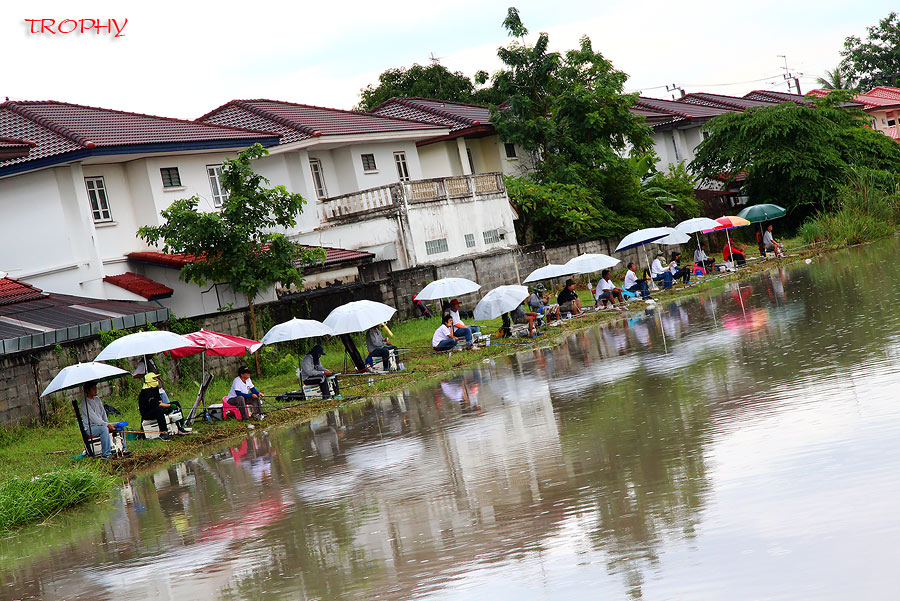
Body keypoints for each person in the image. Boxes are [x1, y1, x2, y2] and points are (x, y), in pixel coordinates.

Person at [80, 381, 128, 459]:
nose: (95, 390)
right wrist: (106, 425)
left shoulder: (97, 399)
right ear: (87, 391)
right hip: (91, 428)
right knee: (104, 429)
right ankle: (106, 453)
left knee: (119, 425)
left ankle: (123, 449)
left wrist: (107, 423)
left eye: (95, 388)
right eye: (93, 389)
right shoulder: (85, 403)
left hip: (102, 424)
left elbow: (103, 413)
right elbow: (94, 418)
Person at [138, 373, 187, 439]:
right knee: (159, 410)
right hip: (147, 413)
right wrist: (170, 405)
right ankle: (163, 432)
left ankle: (180, 426)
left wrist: (171, 406)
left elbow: (160, 401)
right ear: (149, 380)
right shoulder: (145, 392)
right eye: (155, 378)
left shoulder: (155, 388)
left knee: (176, 403)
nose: (157, 379)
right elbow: (157, 404)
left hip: (156, 408)